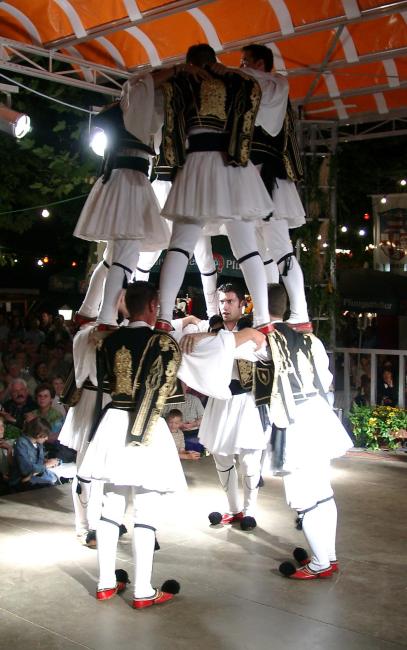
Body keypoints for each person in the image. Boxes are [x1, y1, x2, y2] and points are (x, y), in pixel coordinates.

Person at [78, 281, 186, 608]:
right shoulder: (162, 342)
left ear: (126, 305)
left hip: (113, 421)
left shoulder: (107, 340)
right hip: (147, 424)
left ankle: (105, 583)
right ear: (153, 306)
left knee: (110, 507)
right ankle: (142, 590)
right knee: (145, 510)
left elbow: (96, 381)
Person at [154, 44, 274, 332]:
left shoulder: (179, 81)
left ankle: (164, 318)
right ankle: (263, 320)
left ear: (189, 62)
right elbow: (256, 93)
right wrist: (231, 71)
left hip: (196, 165)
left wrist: (177, 71)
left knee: (179, 247)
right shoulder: (234, 80)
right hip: (231, 167)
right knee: (247, 249)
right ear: (214, 60)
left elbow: (144, 89)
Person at [262, 285, 353, 579]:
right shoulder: (309, 338)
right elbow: (325, 378)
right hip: (317, 414)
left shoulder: (263, 339)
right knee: (322, 491)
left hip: (294, 420)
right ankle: (329, 556)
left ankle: (319, 564)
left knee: (302, 497)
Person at [74, 73, 170, 328]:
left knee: (113, 255)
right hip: (129, 182)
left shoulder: (129, 107)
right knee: (126, 254)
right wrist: (171, 74)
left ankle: (88, 310)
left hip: (124, 180)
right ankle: (105, 317)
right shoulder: (135, 101)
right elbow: (143, 88)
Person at [240, 44, 310, 329]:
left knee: (281, 250)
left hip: (269, 178)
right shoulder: (255, 85)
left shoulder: (276, 83)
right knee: (260, 251)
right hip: (250, 175)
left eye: (245, 61)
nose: (242, 67)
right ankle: (269, 313)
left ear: (259, 63)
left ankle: (300, 314)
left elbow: (254, 81)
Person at [191, 283, 268, 530]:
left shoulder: (253, 329)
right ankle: (234, 509)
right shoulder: (213, 328)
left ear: (242, 304)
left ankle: (250, 510)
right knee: (222, 459)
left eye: (230, 301)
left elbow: (258, 352)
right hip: (219, 400)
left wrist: (216, 341)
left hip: (246, 401)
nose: (225, 306)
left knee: (249, 461)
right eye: (222, 301)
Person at [9, 417, 60, 489]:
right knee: (51, 487)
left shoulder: (39, 444)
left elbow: (38, 461)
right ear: (38, 435)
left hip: (34, 476)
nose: (47, 438)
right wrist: (46, 465)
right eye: (45, 436)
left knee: (56, 481)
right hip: (20, 481)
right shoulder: (21, 443)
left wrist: (48, 461)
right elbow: (25, 469)